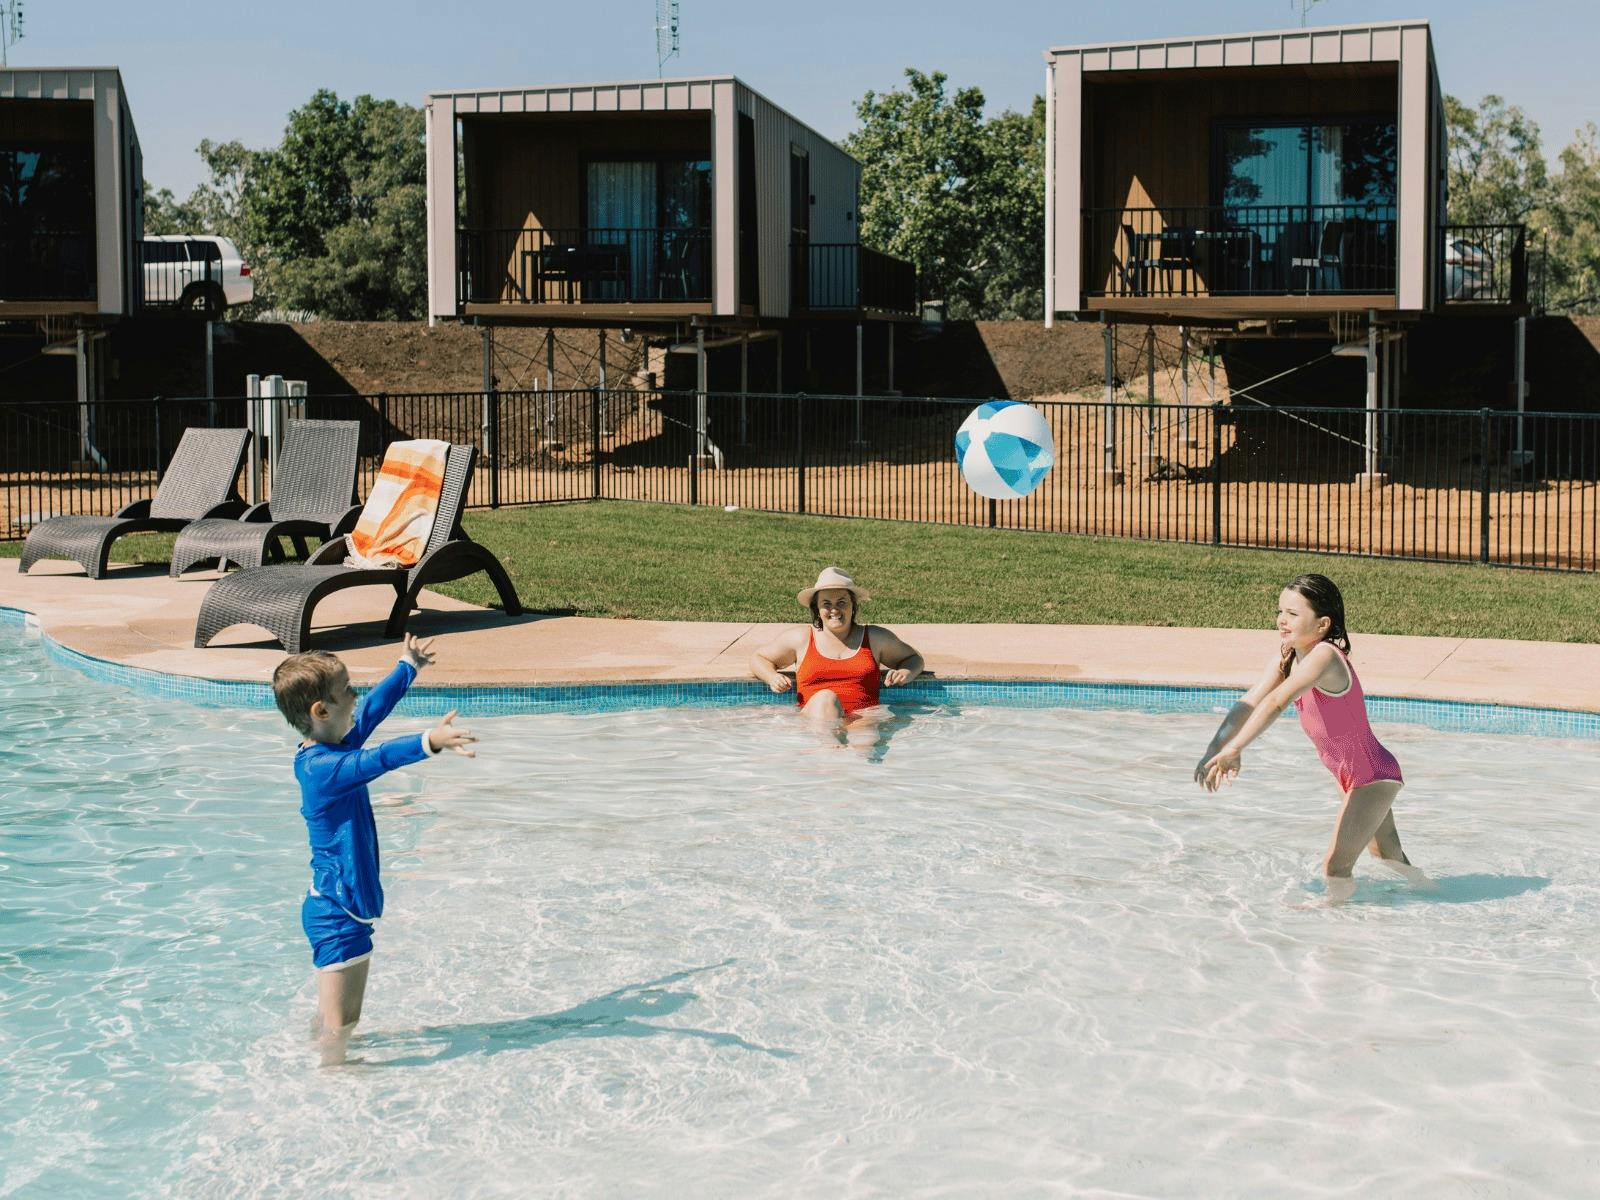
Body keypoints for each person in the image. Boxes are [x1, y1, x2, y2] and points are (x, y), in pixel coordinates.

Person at [271, 634, 478, 1065]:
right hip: (338, 910)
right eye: (347, 688)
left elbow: (370, 715)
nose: (356, 695)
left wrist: (407, 666)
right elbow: (377, 759)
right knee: (341, 1027)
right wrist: (429, 741)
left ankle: (321, 1059)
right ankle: (333, 1084)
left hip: (340, 904)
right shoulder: (325, 770)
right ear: (321, 710)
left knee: (337, 1020)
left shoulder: (329, 749)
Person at [1196, 574, 1430, 903]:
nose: (1281, 620)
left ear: (1322, 625)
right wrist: (1214, 748)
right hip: (1351, 775)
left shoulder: (1325, 656)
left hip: (1372, 776)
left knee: (1336, 866)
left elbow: (1276, 702)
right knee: (1387, 856)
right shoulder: (1287, 657)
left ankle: (1331, 919)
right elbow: (1250, 702)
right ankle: (1429, 895)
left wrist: (1236, 748)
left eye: (1293, 613)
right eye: (1280, 611)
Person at [748, 566, 924, 732]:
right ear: (816, 608)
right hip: (818, 720)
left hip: (863, 718)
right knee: (827, 698)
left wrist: (906, 672)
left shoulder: (875, 638)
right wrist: (771, 677)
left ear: (853, 605)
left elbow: (914, 658)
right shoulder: (801, 638)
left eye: (841, 602)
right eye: (826, 604)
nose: (834, 610)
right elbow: (759, 658)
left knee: (866, 752)